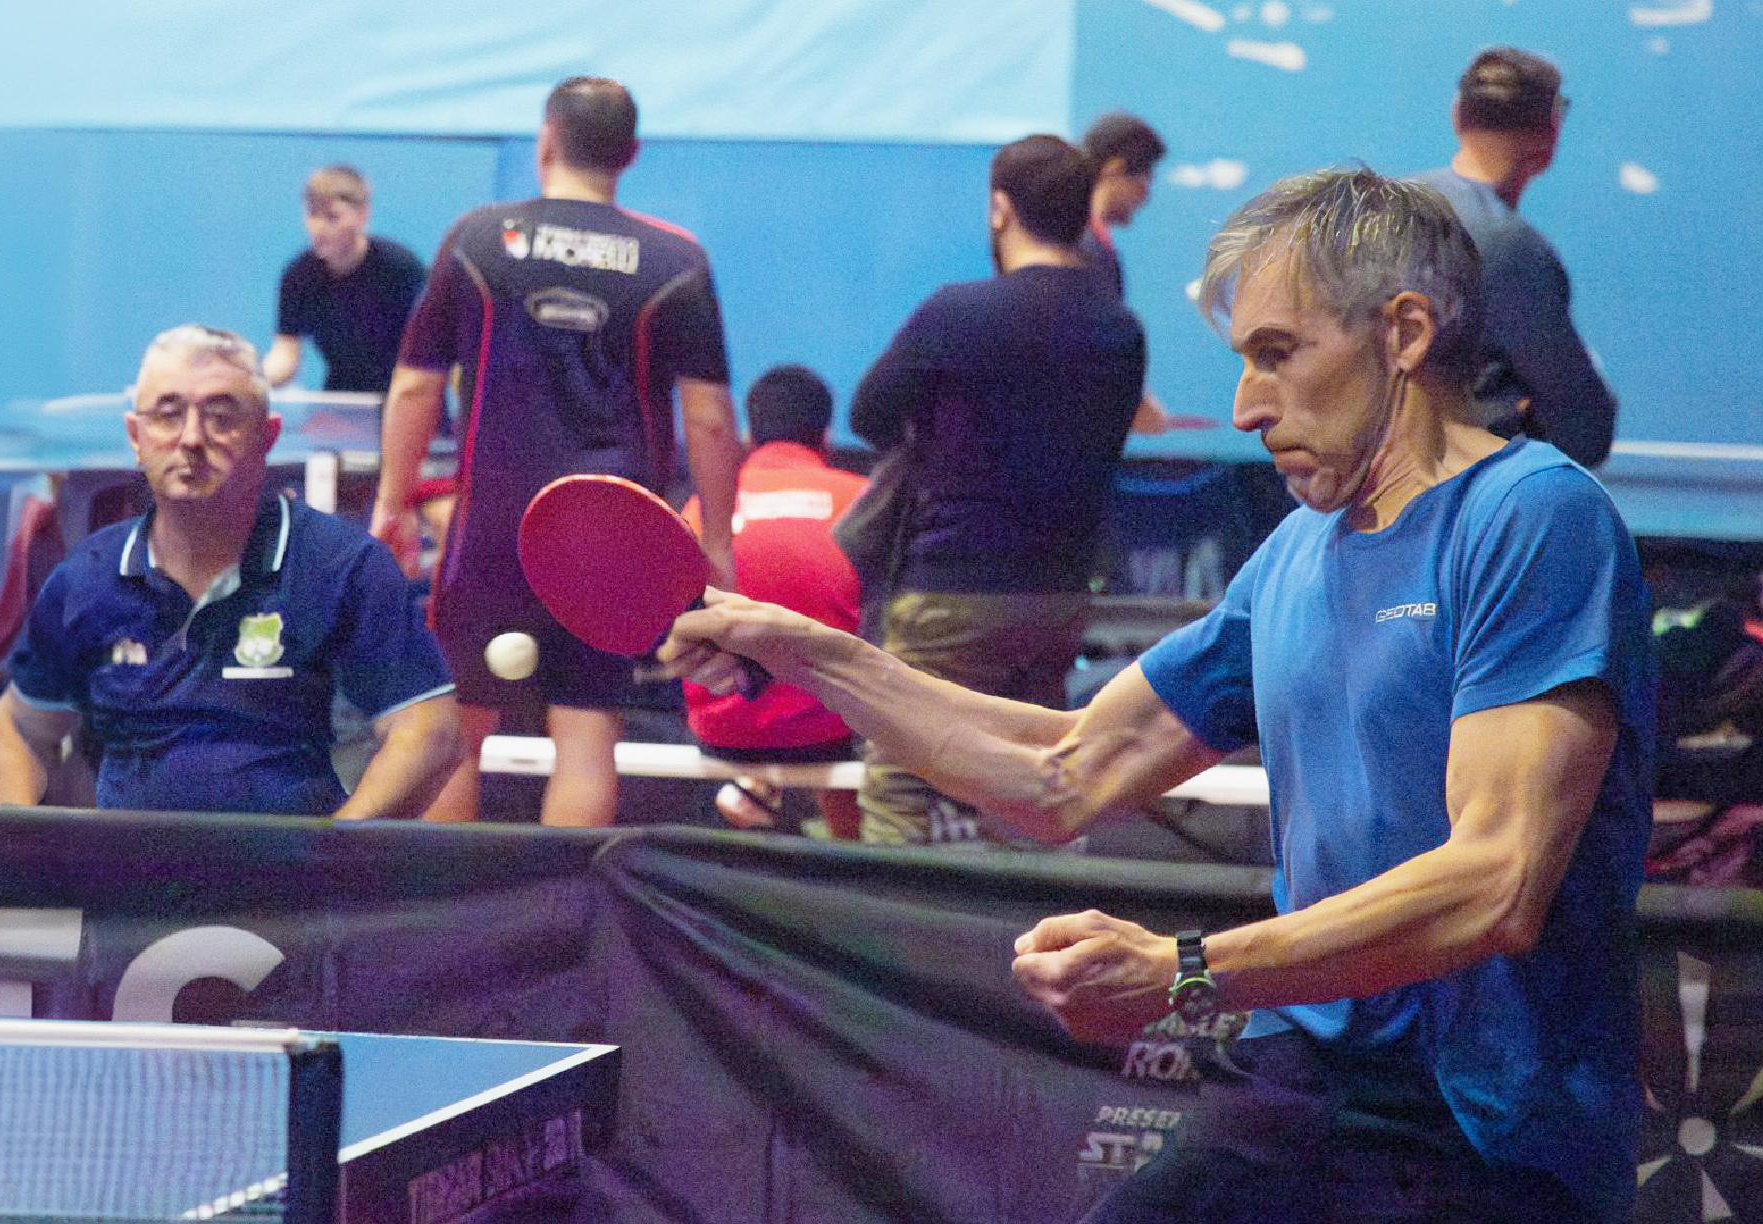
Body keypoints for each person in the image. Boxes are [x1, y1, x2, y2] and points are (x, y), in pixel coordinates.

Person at [656, 168, 1653, 1223]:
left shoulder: (1532, 518)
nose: (1244, 406)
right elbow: (1066, 772)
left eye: (1277, 354)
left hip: (1485, 1129)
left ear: (1403, 332)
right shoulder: (1297, 554)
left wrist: (1183, 971)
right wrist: (811, 653)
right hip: (1310, 1077)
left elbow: (1492, 882)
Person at [370, 77, 742, 828]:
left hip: (491, 529)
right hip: (610, 531)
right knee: (585, 732)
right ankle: (566, 917)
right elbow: (707, 419)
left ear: (546, 140)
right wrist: (715, 541)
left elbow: (414, 388)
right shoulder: (674, 259)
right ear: (630, 153)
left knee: (459, 733)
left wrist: (391, 502)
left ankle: (446, 914)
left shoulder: (479, 240)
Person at [0, 324, 460, 817]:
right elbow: (18, 728)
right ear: (136, 438)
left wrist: (332, 858)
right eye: (168, 415)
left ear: (267, 436)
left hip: (292, 883)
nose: (192, 438)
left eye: (221, 416)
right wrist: (23, 850)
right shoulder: (87, 579)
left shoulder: (345, 568)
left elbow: (429, 735)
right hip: (129, 881)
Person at [846, 134, 1145, 847]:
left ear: (1001, 210)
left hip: (952, 586)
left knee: (903, 777)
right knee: (1028, 779)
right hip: (1058, 594)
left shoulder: (956, 313)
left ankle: (898, 944)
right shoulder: (1120, 328)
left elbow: (869, 416)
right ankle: (1021, 940)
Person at [679, 365, 867, 839]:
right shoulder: (863, 500)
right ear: (825, 436)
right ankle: (854, 872)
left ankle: (757, 787)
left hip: (724, 733)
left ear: (748, 435)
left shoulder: (702, 508)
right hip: (831, 732)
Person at [1413, 47, 1616, 468]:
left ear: (1457, 116)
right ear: (1550, 130)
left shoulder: (1384, 209)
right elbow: (1584, 426)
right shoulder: (1509, 249)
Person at [263, 165, 427, 395]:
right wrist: (254, 381)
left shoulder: (401, 269)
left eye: (332, 217)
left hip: (403, 395)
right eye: (312, 214)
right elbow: (286, 355)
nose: (318, 227)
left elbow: (428, 355)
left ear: (362, 216)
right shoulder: (299, 276)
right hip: (343, 401)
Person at [1080, 112, 1179, 436]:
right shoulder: (1086, 248)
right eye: (1144, 175)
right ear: (1114, 169)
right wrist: (1134, 403)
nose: (1147, 192)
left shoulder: (1090, 245)